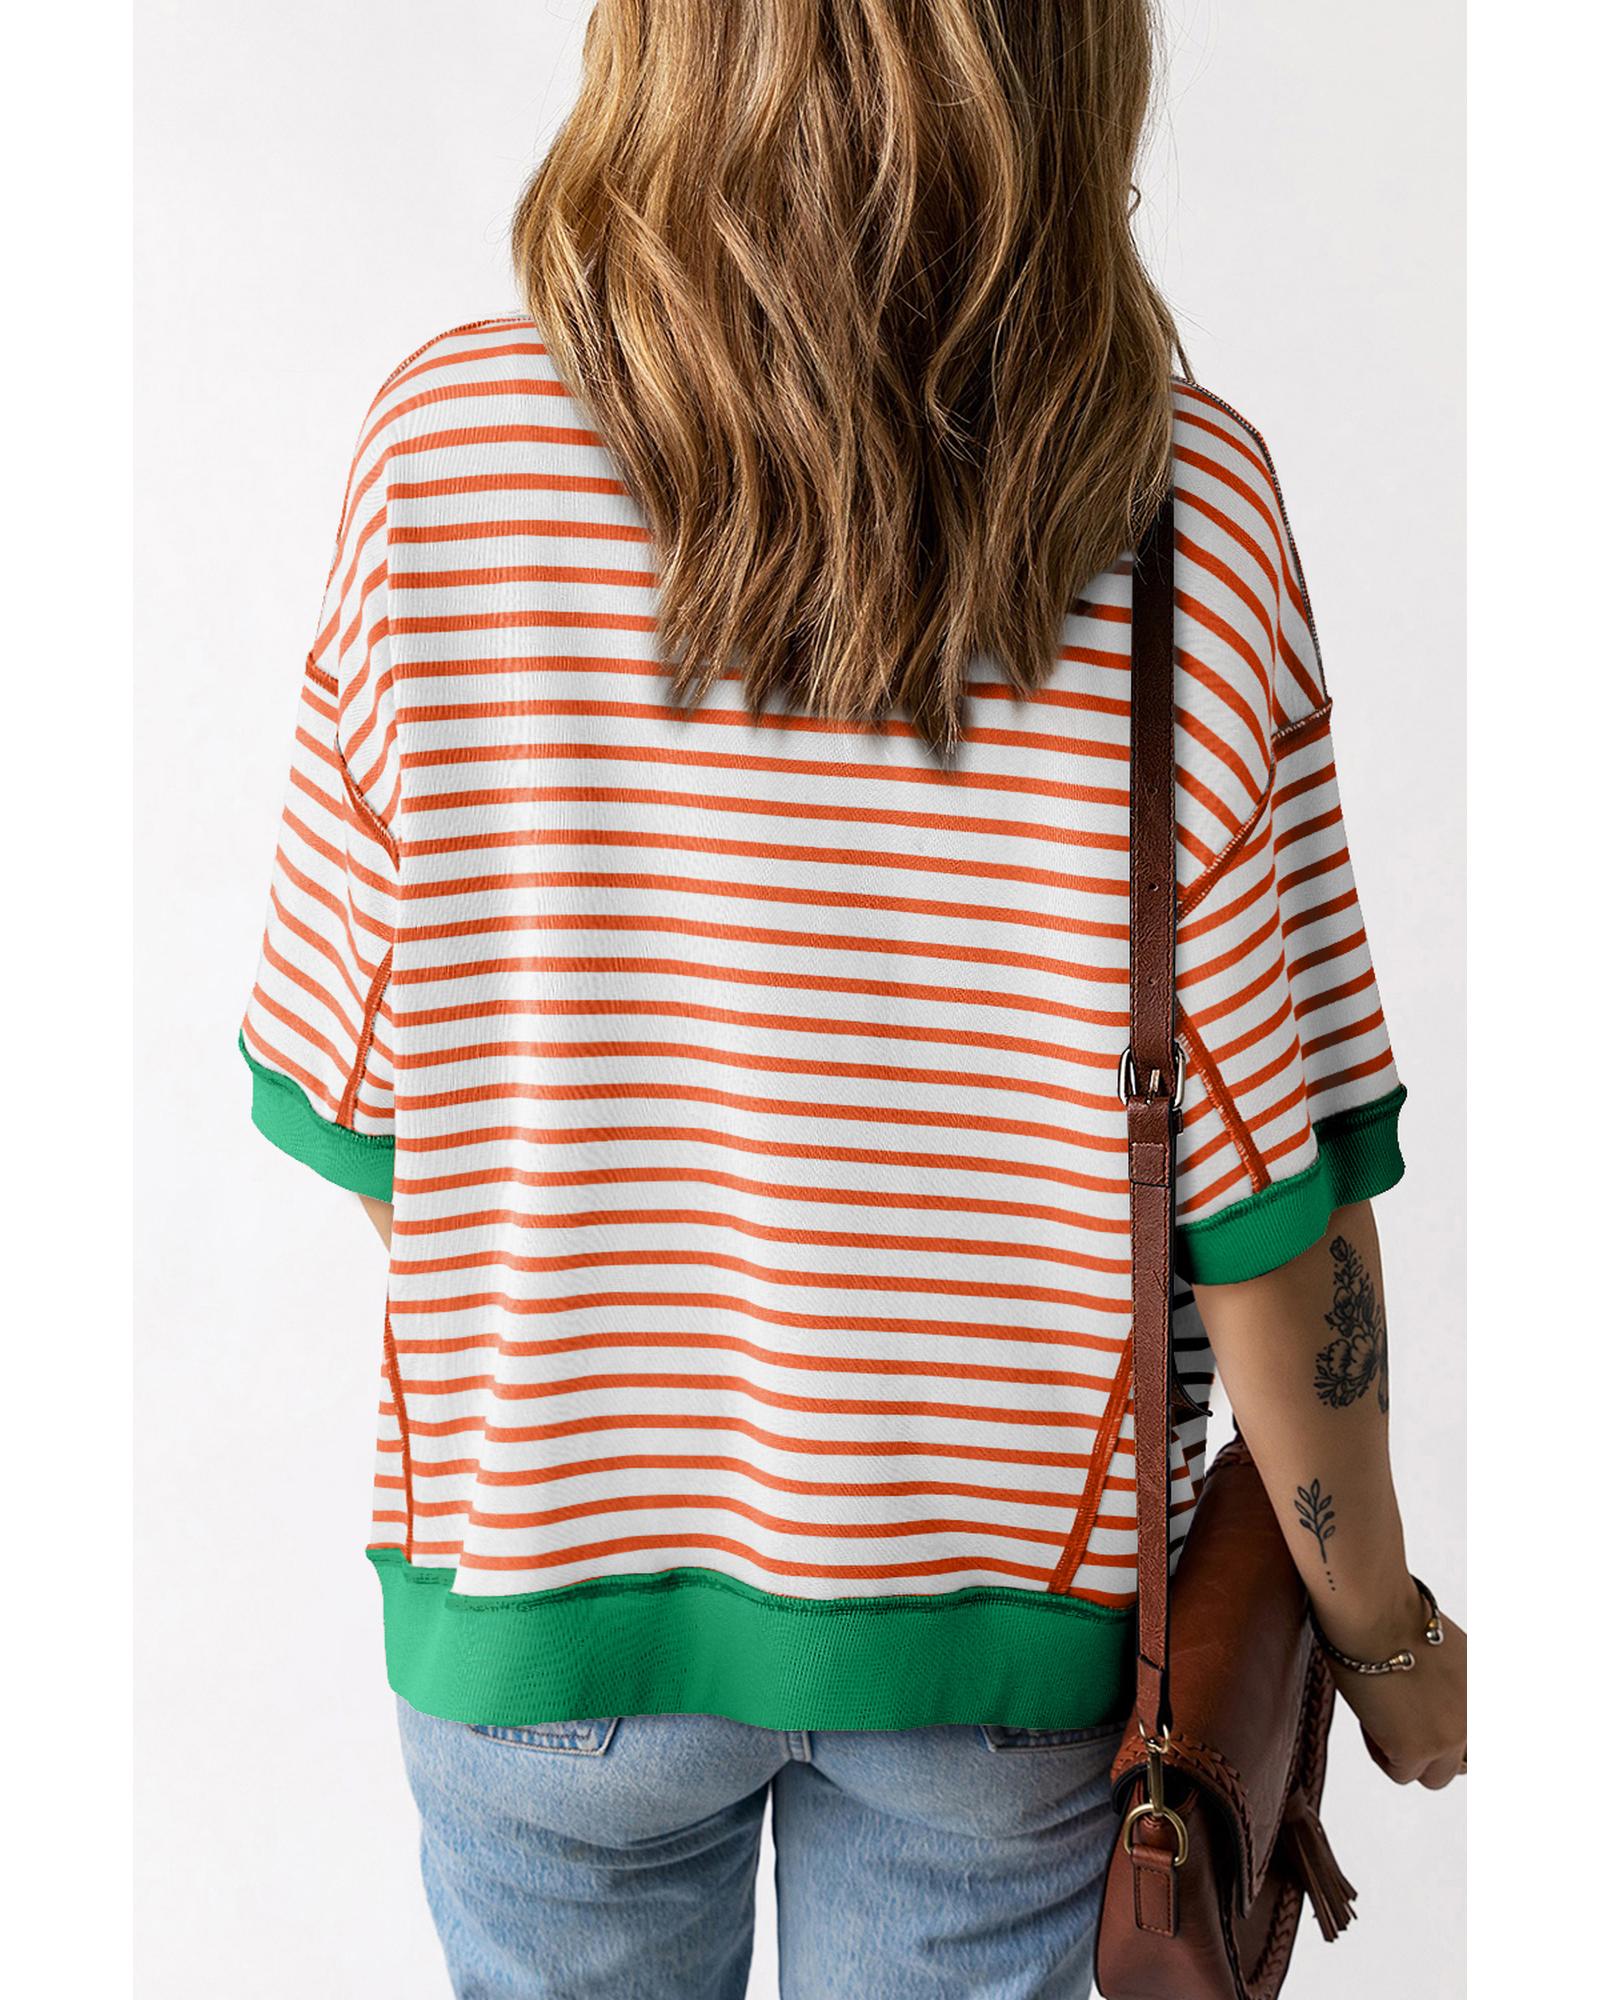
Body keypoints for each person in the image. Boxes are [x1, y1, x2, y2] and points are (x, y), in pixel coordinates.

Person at [238, 3, 1465, 1994]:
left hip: (544, 1622)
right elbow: (1272, 1221)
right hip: (1002, 1654)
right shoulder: (1186, 507)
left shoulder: (443, 455)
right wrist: (1383, 1635)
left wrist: (646, 1395)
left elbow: (371, 1108)